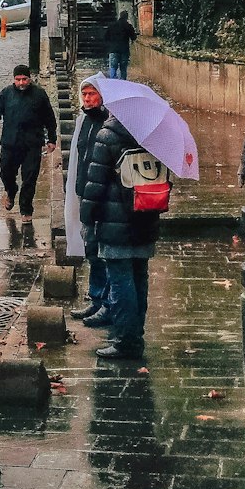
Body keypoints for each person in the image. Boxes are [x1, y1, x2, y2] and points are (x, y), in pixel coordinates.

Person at [80, 111, 166, 362]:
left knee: (120, 282)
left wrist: (87, 216)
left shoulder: (106, 136)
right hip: (146, 216)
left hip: (114, 222)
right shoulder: (153, 136)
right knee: (139, 278)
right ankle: (135, 336)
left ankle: (126, 342)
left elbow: (95, 183)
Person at [63, 79, 112, 328]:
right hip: (85, 193)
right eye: (84, 94)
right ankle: (95, 297)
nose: (87, 99)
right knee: (91, 247)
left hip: (104, 196)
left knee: (103, 249)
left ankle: (108, 303)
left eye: (92, 94)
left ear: (102, 96)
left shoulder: (109, 122)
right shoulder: (83, 121)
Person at [0, 63, 57, 220]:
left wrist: (52, 139)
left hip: (32, 144)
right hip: (10, 143)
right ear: (14, 80)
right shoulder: (6, 94)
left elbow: (49, 118)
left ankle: (26, 209)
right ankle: (11, 192)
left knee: (30, 178)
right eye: (18, 80)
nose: (21, 83)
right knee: (5, 172)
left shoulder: (39, 94)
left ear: (29, 79)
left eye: (24, 79)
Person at [105, 10, 137, 80]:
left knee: (113, 68)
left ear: (120, 16)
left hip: (113, 50)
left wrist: (110, 45)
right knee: (123, 69)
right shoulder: (128, 26)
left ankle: (112, 83)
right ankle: (123, 84)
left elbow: (106, 37)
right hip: (124, 51)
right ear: (127, 17)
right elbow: (134, 37)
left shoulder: (112, 25)